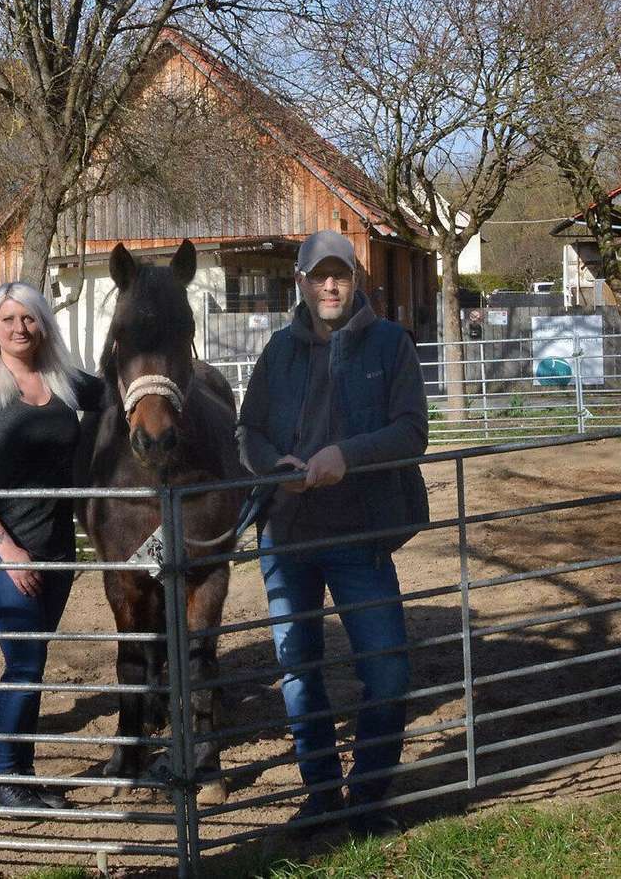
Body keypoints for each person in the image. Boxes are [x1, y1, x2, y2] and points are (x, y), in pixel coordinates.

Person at [237, 229, 429, 834]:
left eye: (339, 274)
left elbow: (411, 431)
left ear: (355, 280)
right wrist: (275, 469)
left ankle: (369, 801)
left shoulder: (390, 345)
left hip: (360, 536)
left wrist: (348, 454)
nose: (329, 284)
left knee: (388, 670)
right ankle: (322, 798)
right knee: (299, 669)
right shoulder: (277, 352)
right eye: (318, 275)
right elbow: (248, 432)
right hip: (288, 535)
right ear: (299, 281)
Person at [0, 281, 100, 810]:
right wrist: (7, 551)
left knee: (32, 658)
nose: (18, 329)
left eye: (29, 319)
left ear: (42, 325)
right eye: (8, 319)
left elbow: (127, 390)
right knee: (24, 662)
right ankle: (5, 777)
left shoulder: (64, 382)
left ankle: (23, 773)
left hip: (57, 547)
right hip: (0, 549)